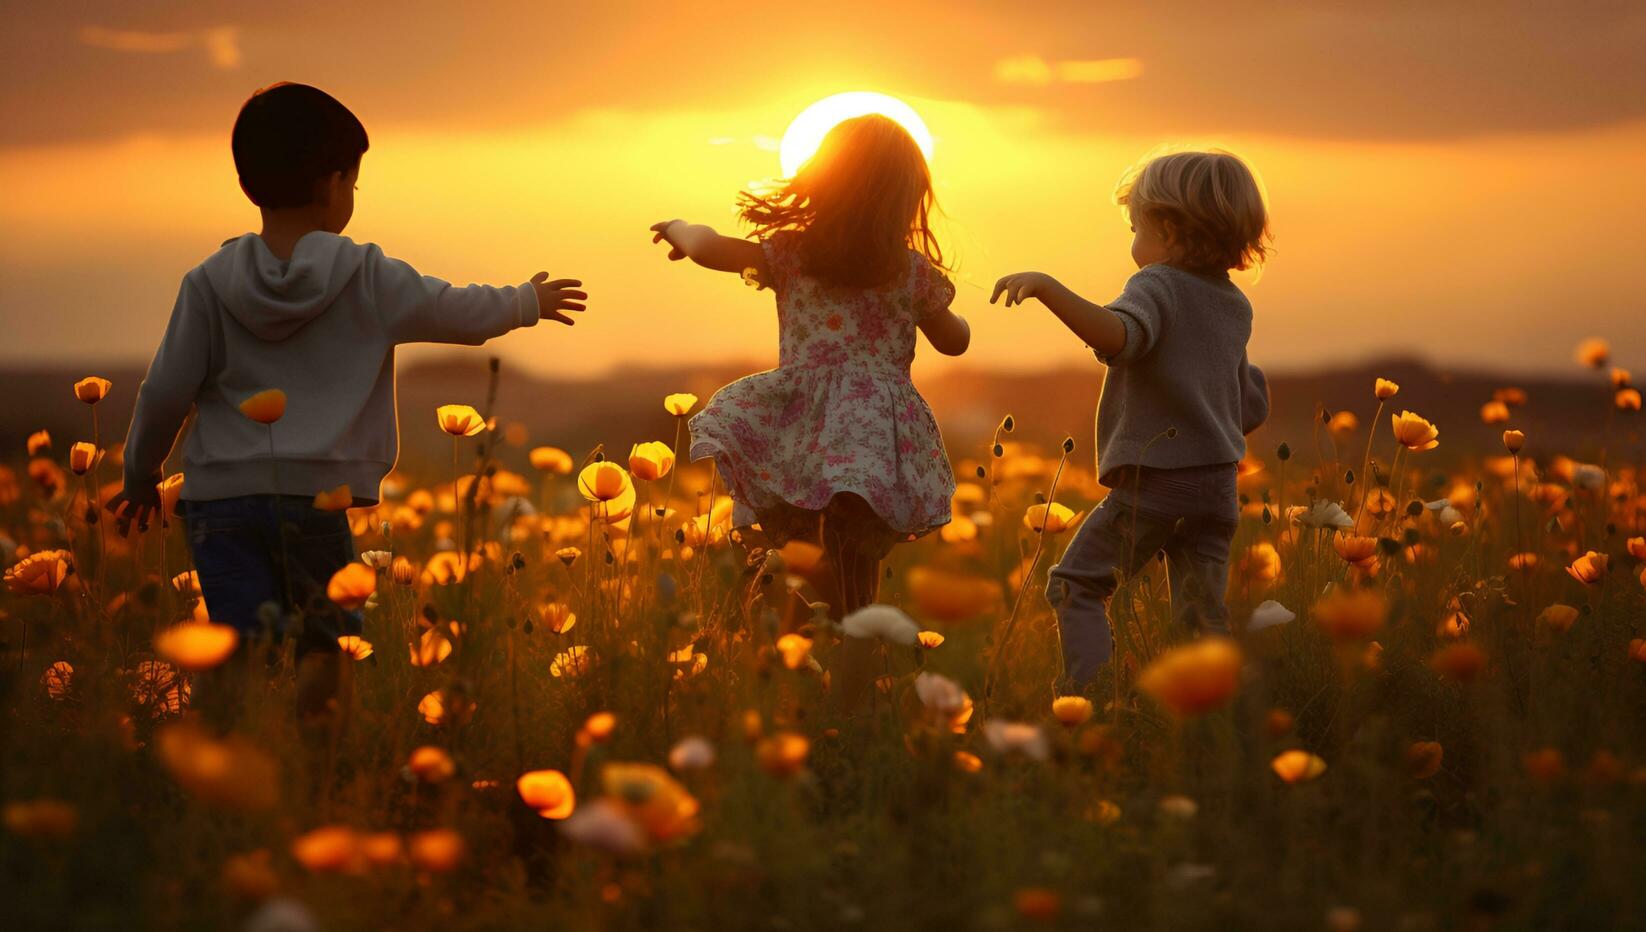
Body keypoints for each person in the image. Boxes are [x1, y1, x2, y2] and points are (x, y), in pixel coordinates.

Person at [105, 82, 587, 728]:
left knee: (236, 649)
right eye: (355, 182)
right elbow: (452, 310)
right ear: (333, 185)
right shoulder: (364, 274)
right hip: (315, 499)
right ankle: (319, 763)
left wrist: (141, 473)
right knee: (326, 643)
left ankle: (225, 760)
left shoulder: (208, 283)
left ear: (252, 183)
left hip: (218, 503)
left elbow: (164, 390)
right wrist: (525, 301)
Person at [649, 114, 969, 708]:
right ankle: (852, 691)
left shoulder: (792, 254)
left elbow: (707, 247)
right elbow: (956, 342)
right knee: (856, 564)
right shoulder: (910, 270)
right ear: (909, 198)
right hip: (874, 433)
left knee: (800, 555)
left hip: (803, 427)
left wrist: (677, 227)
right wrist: (942, 309)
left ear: (822, 182)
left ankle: (784, 678)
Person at [991, 149, 1271, 693]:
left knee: (1077, 585)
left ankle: (1091, 700)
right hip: (1217, 488)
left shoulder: (1157, 284)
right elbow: (1249, 406)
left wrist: (1048, 288)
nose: (1133, 241)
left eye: (1135, 227)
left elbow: (1119, 338)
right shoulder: (1234, 304)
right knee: (1200, 614)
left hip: (1157, 485)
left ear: (1166, 229)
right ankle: (1212, 717)